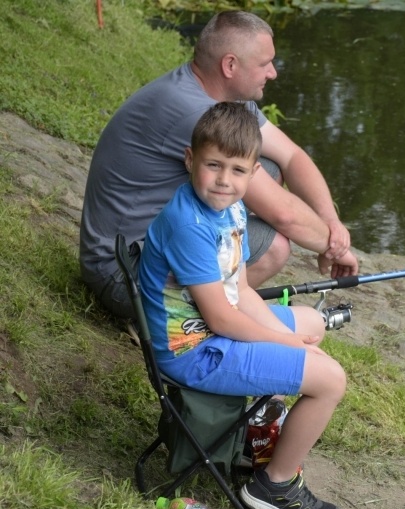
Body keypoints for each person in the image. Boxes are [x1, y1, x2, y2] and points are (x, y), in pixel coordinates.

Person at [139, 102, 345, 509]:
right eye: (213, 165)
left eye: (236, 170)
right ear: (190, 159)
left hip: (214, 329)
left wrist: (294, 337)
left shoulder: (228, 210)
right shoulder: (190, 225)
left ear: (254, 174)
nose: (223, 180)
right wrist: (290, 345)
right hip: (194, 350)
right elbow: (222, 321)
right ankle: (275, 485)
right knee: (330, 380)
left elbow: (242, 290)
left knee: (311, 323)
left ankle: (258, 431)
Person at [80, 10, 358, 320]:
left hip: (155, 243)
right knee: (274, 244)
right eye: (265, 64)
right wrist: (336, 247)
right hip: (123, 275)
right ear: (230, 65)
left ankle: (210, 302)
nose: (273, 73)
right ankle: (187, 321)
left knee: (265, 167)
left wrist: (331, 222)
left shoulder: (224, 100)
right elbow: (284, 214)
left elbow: (292, 156)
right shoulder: (193, 111)